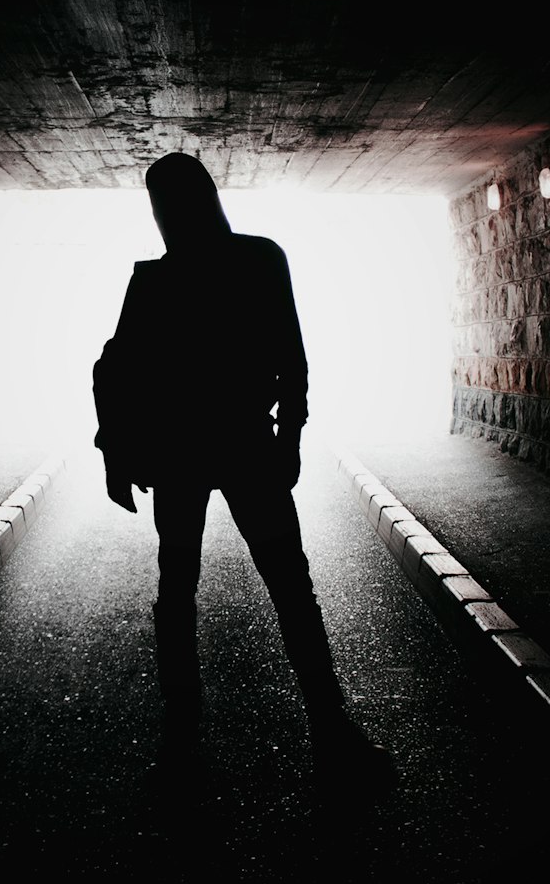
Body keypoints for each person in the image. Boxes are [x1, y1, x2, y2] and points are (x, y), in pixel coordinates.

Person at [93, 152, 393, 787]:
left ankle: (185, 741)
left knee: (186, 592)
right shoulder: (258, 259)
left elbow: (116, 370)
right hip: (244, 447)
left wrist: (119, 456)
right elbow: (290, 357)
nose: (163, 215)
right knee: (283, 587)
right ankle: (328, 730)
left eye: (164, 203)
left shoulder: (157, 280)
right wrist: (289, 437)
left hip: (189, 454)